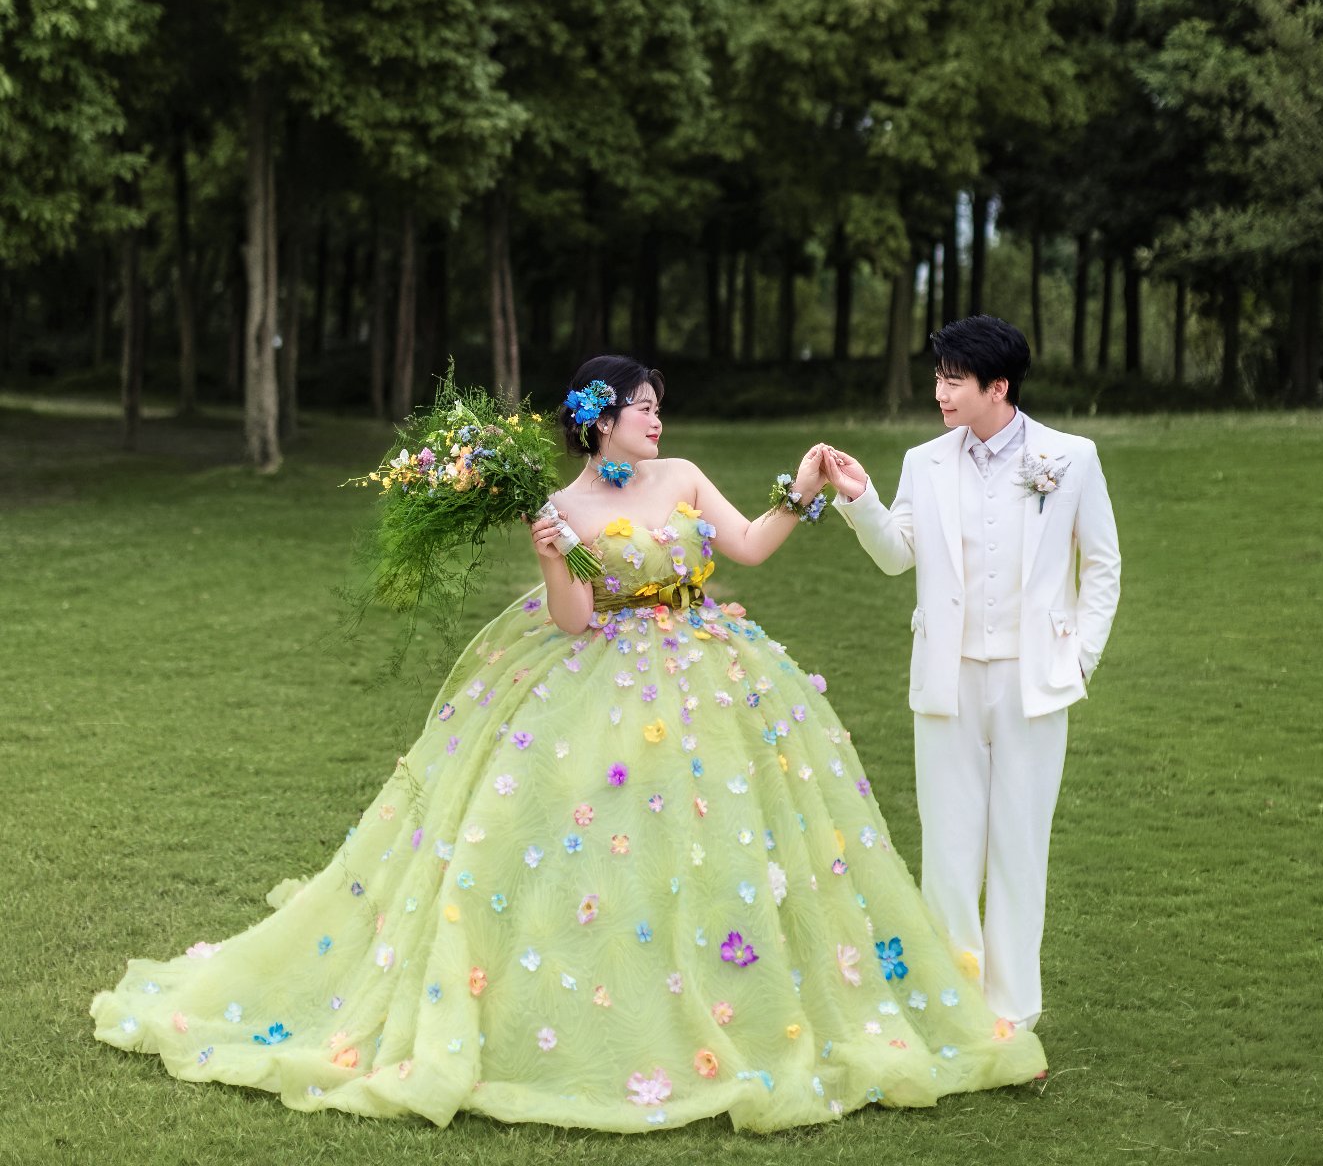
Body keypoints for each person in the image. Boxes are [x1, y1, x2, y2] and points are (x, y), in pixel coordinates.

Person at [92, 353, 1046, 1132]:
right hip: (603, 673)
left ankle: (728, 989)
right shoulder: (560, 504)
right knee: (605, 831)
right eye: (642, 408)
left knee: (719, 836)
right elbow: (575, 621)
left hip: (710, 664)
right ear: (598, 420)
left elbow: (748, 547)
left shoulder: (682, 475)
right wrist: (553, 556)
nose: (657, 420)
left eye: (658, 406)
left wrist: (800, 492)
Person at [821, 315, 1121, 1033]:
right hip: (946, 679)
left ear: (998, 386)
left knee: (1019, 849)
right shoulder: (923, 462)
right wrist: (860, 499)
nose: (940, 391)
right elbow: (897, 555)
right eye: (938, 376)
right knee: (949, 854)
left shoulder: (1070, 457)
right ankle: (953, 1008)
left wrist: (1078, 656)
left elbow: (1102, 565)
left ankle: (1013, 1013)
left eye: (954, 379)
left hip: (1033, 681)